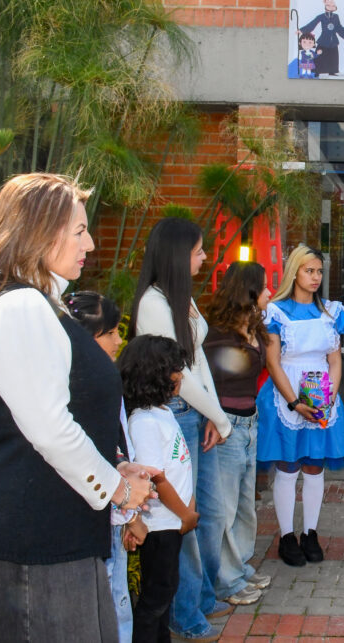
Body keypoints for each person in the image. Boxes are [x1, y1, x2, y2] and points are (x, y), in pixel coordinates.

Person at [0, 173, 153, 642]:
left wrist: (118, 467)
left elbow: (66, 409)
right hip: (37, 535)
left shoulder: (43, 303)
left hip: (60, 529)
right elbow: (48, 427)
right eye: (78, 230)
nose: (89, 242)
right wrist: (117, 490)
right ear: (39, 231)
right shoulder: (19, 307)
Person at [131, 217, 234, 643]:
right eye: (198, 251)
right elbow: (177, 374)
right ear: (177, 254)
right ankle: (185, 613)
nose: (205, 257)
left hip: (195, 412)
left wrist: (213, 413)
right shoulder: (154, 303)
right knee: (183, 518)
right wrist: (219, 415)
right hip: (176, 409)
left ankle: (201, 596)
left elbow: (197, 363)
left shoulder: (181, 297)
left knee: (204, 511)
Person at [257, 246, 344, 566]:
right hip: (287, 393)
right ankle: (287, 535)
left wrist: (327, 398)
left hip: (322, 393)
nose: (315, 277)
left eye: (319, 272)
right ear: (294, 272)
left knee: (314, 465)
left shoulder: (332, 311)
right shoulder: (275, 311)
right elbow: (272, 362)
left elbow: (335, 360)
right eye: (309, 271)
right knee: (288, 465)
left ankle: (310, 532)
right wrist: (295, 402)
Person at [64, 290, 144, 643]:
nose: (118, 340)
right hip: (95, 518)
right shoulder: (79, 391)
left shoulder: (103, 380)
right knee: (109, 606)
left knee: (117, 601)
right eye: (109, 333)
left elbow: (118, 446)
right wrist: (130, 512)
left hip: (114, 510)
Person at [120, 335, 200, 643]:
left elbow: (181, 466)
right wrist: (185, 515)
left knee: (166, 592)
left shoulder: (163, 412)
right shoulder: (143, 422)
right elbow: (155, 478)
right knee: (157, 596)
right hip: (160, 524)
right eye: (174, 369)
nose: (180, 376)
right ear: (153, 374)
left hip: (175, 520)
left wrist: (188, 510)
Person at [204, 262, 273, 606]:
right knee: (225, 507)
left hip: (250, 421)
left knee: (246, 503)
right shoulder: (217, 333)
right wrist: (213, 420)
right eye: (264, 287)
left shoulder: (255, 328)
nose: (269, 292)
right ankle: (226, 580)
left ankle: (240, 566)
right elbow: (211, 380)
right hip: (226, 425)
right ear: (248, 291)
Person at [299, 0, 344, 76]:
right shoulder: (321, 16)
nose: (331, 7)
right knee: (319, 55)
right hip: (323, 39)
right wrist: (301, 30)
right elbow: (313, 24)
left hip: (333, 40)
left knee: (333, 56)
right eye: (329, 5)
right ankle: (316, 71)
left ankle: (332, 71)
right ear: (325, 5)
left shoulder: (336, 16)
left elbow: (339, 27)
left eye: (333, 6)